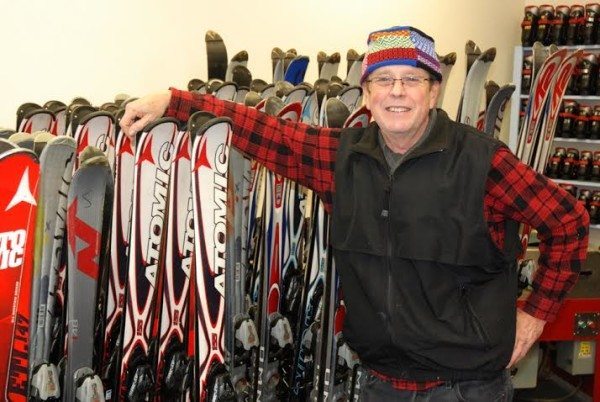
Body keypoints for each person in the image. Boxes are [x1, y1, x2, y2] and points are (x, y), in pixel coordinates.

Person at [120, 26, 589, 401]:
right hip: (379, 380)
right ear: (367, 93)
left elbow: (568, 223)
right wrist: (178, 103)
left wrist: (535, 314)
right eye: (384, 80)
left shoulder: (481, 162)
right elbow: (269, 135)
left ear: (434, 90)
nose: (397, 92)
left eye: (412, 79)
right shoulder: (341, 158)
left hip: (465, 386)